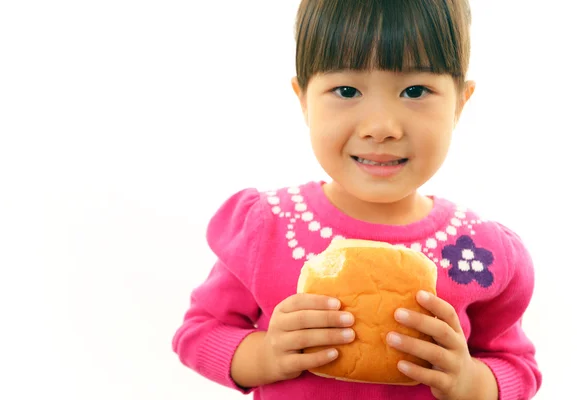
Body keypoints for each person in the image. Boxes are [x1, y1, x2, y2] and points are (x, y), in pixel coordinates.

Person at [171, 1, 542, 399]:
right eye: (346, 90)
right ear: (303, 100)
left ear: (460, 103)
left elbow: (518, 367)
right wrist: (266, 355)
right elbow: (197, 334)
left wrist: (470, 382)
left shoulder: (480, 253)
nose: (380, 127)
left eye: (415, 90)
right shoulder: (268, 226)